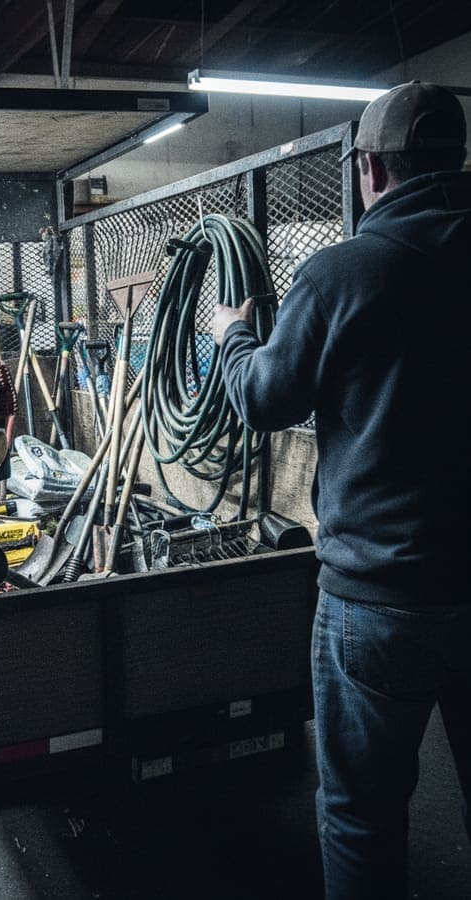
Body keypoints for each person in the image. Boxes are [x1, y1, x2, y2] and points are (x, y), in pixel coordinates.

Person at [212, 81, 471, 898]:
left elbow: (263, 400)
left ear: (370, 170)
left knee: (363, 815)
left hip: (378, 602)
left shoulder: (342, 273)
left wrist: (234, 335)